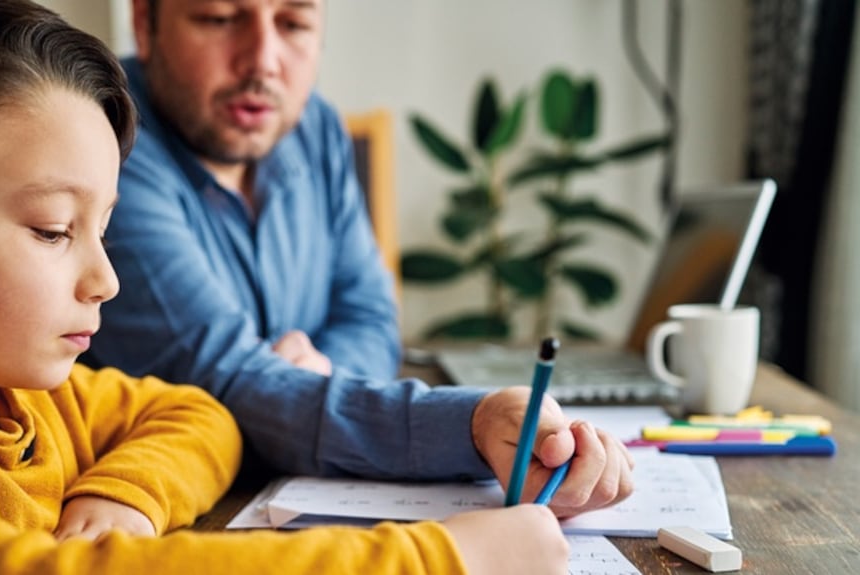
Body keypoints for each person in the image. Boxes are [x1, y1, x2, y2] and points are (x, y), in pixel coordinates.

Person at [0, 1, 577, 573]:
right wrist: (438, 558)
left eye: (104, 227)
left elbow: (200, 413)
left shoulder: (25, 394)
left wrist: (127, 488)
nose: (106, 278)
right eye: (55, 230)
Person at [85, 0, 635, 509]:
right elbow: (223, 377)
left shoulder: (315, 129)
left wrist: (319, 376)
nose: (263, 62)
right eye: (220, 18)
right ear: (144, 24)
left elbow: (370, 318)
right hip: (142, 504)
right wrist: (473, 425)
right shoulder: (102, 141)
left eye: (294, 23)